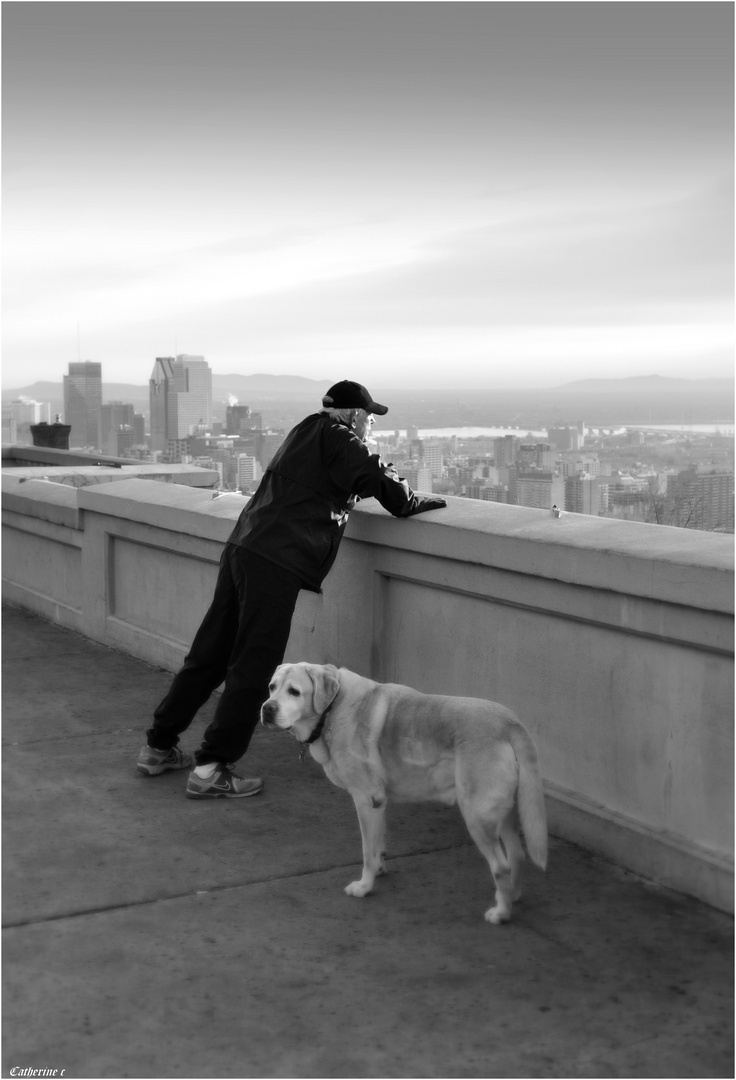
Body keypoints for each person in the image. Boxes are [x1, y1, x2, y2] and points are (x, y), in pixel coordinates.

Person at [136, 380, 447, 799]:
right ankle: (212, 768)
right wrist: (417, 500)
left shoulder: (306, 429)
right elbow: (387, 488)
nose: (371, 424)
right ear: (354, 416)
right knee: (253, 665)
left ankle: (158, 746)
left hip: (243, 547)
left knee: (209, 656)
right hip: (275, 562)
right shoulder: (343, 439)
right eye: (370, 417)